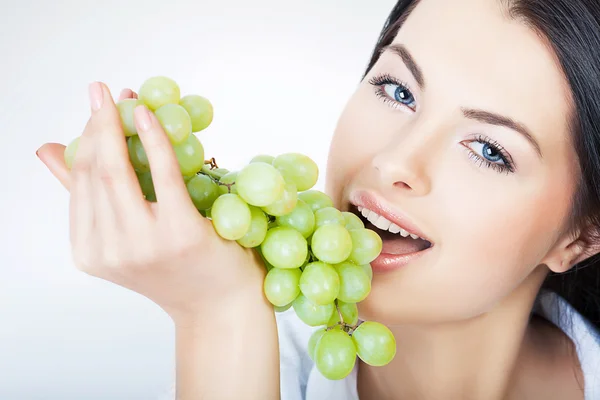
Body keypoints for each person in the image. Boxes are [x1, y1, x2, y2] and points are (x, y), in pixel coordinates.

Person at [36, 0, 600, 398]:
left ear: (582, 236)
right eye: (398, 90)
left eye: (488, 150)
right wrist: (219, 320)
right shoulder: (238, 366)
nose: (395, 161)